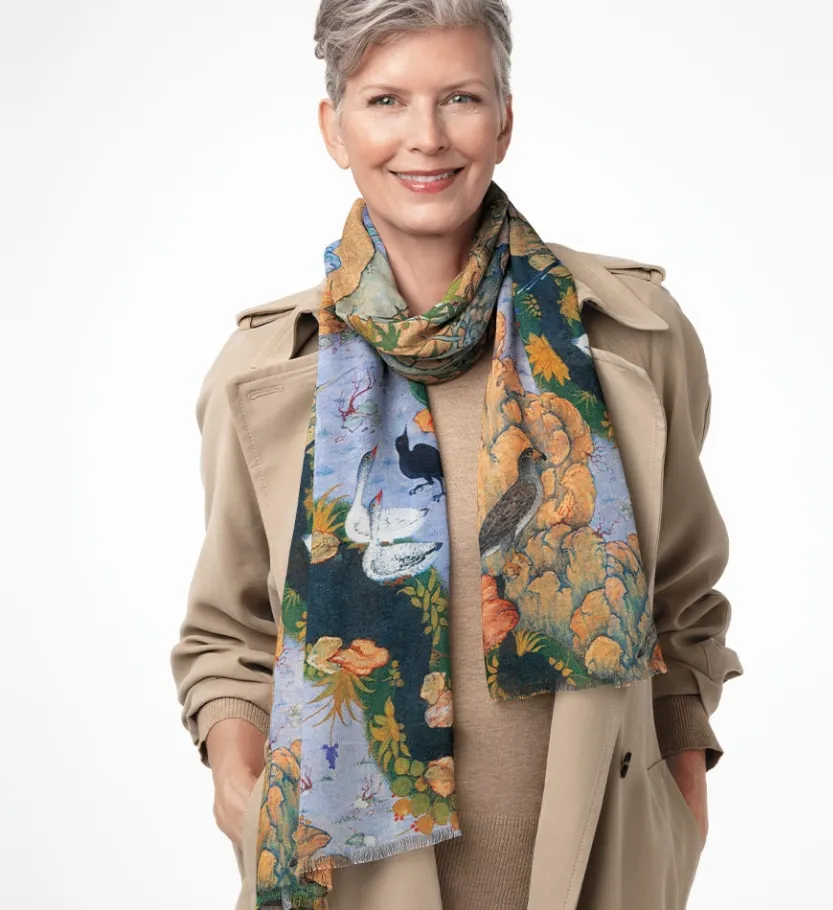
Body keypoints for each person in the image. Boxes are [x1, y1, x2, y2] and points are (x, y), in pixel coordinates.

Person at [170, 2, 743, 909]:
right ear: (335, 128)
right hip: (348, 878)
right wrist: (241, 791)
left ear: (504, 120)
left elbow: (680, 602)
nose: (427, 137)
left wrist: (683, 795)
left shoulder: (630, 338)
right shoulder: (268, 370)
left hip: (602, 871)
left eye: (461, 98)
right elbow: (229, 635)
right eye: (386, 100)